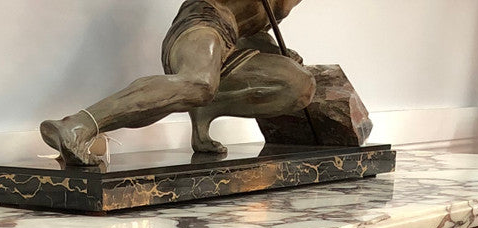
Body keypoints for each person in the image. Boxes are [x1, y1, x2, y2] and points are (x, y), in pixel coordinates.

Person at [40, 0, 315, 166]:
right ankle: (78, 126)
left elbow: (252, 27)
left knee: (299, 85)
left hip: (231, 43)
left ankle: (204, 110)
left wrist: (272, 50)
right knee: (199, 83)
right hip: (202, 24)